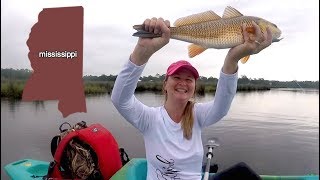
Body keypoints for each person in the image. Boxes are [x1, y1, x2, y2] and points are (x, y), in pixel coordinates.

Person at [111, 17, 272, 180]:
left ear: (194, 87)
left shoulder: (198, 115)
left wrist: (232, 59)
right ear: (165, 84)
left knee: (243, 172)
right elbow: (120, 99)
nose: (183, 83)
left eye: (189, 79)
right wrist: (142, 51)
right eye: (176, 77)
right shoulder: (149, 119)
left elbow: (222, 106)